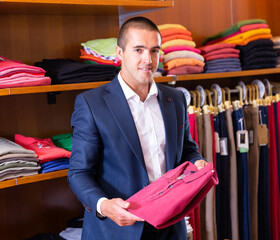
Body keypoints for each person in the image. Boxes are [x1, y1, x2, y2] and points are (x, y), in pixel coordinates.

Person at [67, 16, 207, 240]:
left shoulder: (176, 99)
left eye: (154, 51)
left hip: (170, 227)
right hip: (117, 229)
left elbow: (187, 150)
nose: (148, 60)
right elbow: (79, 173)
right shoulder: (92, 104)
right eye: (139, 50)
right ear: (120, 53)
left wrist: (197, 161)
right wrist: (104, 206)